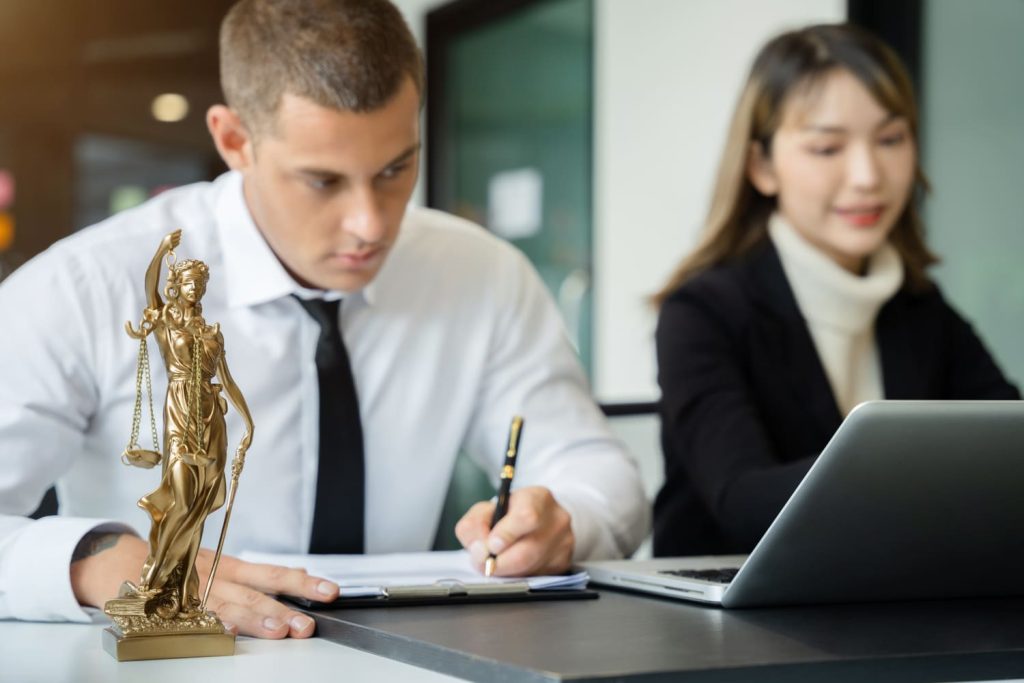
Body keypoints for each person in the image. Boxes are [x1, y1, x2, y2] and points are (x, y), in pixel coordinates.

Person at [0, 0, 648, 639]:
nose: (370, 223)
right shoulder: (86, 287)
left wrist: (564, 519)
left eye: (396, 168)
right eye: (323, 181)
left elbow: (601, 477)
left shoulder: (483, 275)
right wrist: (100, 561)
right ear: (234, 141)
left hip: (419, 661)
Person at [651, 23, 1019, 558]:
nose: (869, 176)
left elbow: (1009, 452)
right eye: (827, 148)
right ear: (761, 166)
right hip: (729, 628)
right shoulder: (704, 313)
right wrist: (927, 475)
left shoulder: (921, 307)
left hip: (884, 610)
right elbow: (744, 502)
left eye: (891, 139)